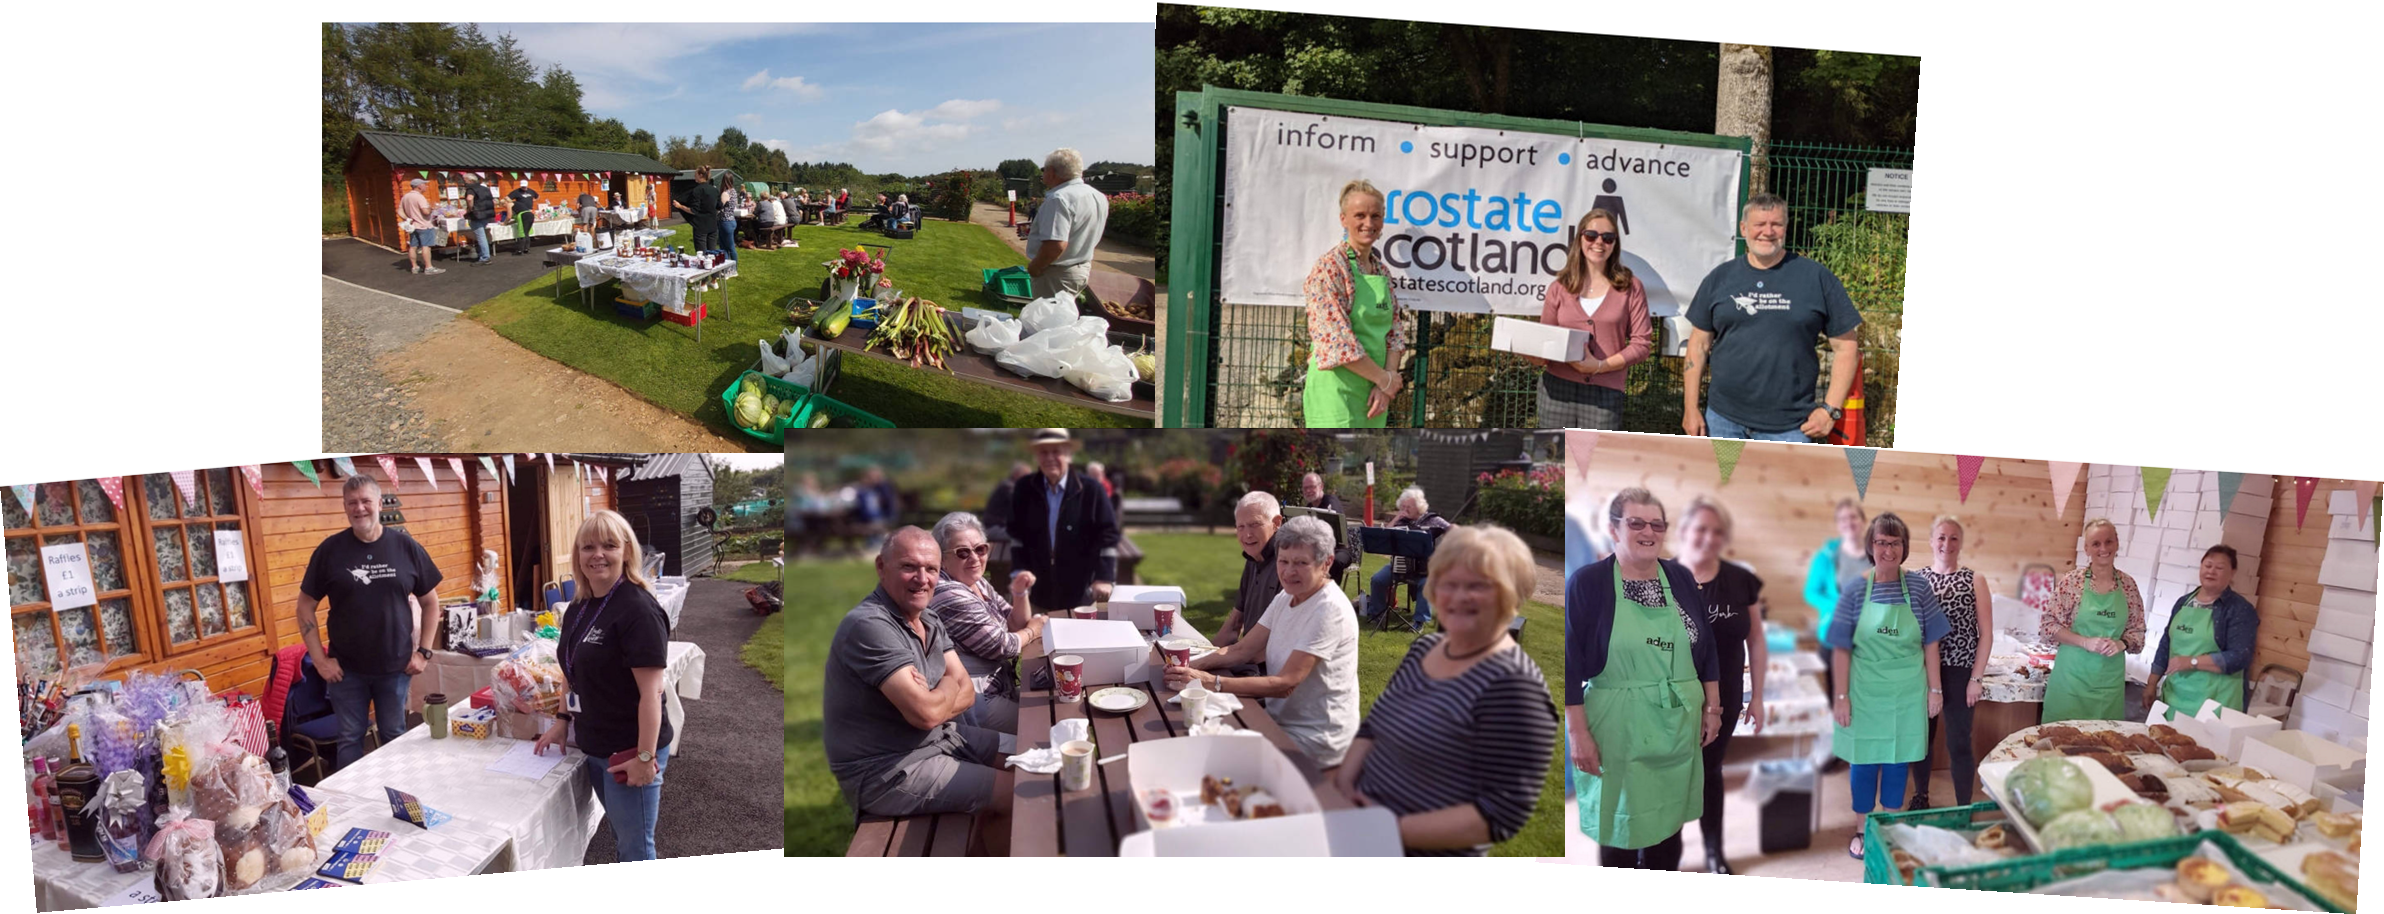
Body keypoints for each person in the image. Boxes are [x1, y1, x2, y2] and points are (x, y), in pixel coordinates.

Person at [1334, 524, 1559, 856]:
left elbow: (1500, 813)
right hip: (1357, 829)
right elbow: (1373, 728)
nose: (1458, 596)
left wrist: (1387, 830)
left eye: (1478, 586)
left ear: (1510, 594)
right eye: (1448, 583)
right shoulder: (1425, 648)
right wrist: (1342, 787)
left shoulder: (1515, 688)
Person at [823, 528, 1012, 854]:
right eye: (909, 567)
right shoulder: (869, 626)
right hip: (887, 769)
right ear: (881, 567)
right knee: (1013, 792)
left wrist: (940, 692)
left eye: (932, 569)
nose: (922, 579)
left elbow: (964, 694)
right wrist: (949, 685)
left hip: (943, 738)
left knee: (1028, 761)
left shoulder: (929, 618)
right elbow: (927, 713)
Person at [1566, 487, 1720, 870]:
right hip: (1618, 725)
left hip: (1677, 724)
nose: (1647, 531)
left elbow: (1708, 650)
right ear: (1614, 529)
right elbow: (1569, 664)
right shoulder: (1588, 583)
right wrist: (1578, 734)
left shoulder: (1681, 578)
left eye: (1656, 524)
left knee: (1667, 825)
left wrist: (1713, 708)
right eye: (1635, 522)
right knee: (1620, 825)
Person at [530, 510, 673, 860]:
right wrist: (562, 723)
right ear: (577, 555)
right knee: (622, 834)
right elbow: (571, 670)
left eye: (608, 545)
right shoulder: (580, 606)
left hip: (629, 749)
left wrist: (644, 757)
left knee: (636, 847)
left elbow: (652, 693)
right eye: (587, 546)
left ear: (626, 551)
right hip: (594, 744)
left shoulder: (638, 609)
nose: (597, 554)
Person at [1166, 516, 1361, 767]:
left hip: (1316, 738)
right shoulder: (1286, 596)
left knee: (1208, 760)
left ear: (1327, 563)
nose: (1289, 572)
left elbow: (1285, 684)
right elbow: (1244, 649)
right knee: (1195, 738)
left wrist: (1210, 682)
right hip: (1278, 719)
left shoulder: (1329, 610)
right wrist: (1193, 666)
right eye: (1283, 561)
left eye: (1301, 563)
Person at [1681, 192, 1864, 441]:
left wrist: (1830, 410)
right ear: (1744, 228)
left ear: (1785, 228)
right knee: (1723, 482)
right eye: (1759, 224)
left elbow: (1847, 348)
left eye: (1776, 224)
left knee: (1784, 483)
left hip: (1791, 427)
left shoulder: (1816, 278)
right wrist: (1690, 408)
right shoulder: (1720, 278)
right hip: (1723, 421)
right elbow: (1698, 346)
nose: (1768, 232)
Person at [293, 474, 444, 768]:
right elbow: (304, 606)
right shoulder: (330, 551)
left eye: (365, 501)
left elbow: (431, 602)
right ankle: (351, 809)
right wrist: (320, 661)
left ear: (378, 503)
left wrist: (424, 652)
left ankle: (398, 800)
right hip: (346, 672)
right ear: (345, 507)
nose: (359, 508)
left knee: (394, 736)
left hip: (396, 668)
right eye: (352, 503)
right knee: (349, 738)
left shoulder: (405, 547)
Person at [1827, 511, 1950, 859]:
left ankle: (1891, 830)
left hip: (1908, 692)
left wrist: (1935, 690)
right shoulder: (1855, 589)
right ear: (1871, 546)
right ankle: (1863, 831)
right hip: (1864, 692)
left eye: (1895, 543)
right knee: (1862, 763)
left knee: (1898, 763)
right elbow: (1841, 647)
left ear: (1904, 547)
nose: (1888, 550)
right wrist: (1841, 696)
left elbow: (1931, 644)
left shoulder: (1919, 588)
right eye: (1881, 542)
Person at [1674, 495, 1766, 874]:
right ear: (1684, 532)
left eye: (1717, 531)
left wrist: (1757, 696)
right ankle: (1666, 848)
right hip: (1670, 699)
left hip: (1724, 698)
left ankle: (1714, 851)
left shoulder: (1741, 580)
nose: (1709, 538)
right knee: (1671, 773)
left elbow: (1756, 640)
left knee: (1710, 771)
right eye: (1701, 529)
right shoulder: (1661, 576)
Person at [1525, 209, 1650, 429]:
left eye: (1608, 237)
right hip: (1557, 391)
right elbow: (1546, 343)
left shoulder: (1631, 287)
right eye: (1591, 235)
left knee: (1594, 462)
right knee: (1555, 459)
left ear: (1615, 244)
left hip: (1605, 394)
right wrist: (1532, 354)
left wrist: (1600, 365)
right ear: (1580, 238)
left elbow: (1642, 344)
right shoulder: (1559, 288)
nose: (1599, 242)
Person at [1302, 179, 1410, 427]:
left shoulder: (1382, 270)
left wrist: (1387, 383)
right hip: (1336, 394)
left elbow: (1394, 332)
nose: (1368, 224)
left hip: (1375, 396)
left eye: (1376, 216)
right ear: (1343, 219)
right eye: (1359, 215)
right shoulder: (1329, 269)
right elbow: (1337, 343)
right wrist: (1385, 380)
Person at [927, 512, 1041, 734]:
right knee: (1042, 724)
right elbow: (1003, 646)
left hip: (996, 685)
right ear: (942, 557)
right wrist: (1034, 630)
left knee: (1050, 702)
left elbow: (1015, 624)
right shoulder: (948, 593)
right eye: (963, 552)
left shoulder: (977, 582)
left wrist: (1019, 593)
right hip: (974, 698)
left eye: (980, 549)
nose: (974, 558)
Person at [1911, 515, 1993, 810]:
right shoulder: (1917, 580)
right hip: (1921, 673)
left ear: (1961, 543)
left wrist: (1976, 678)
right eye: (1941, 537)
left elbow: (1986, 634)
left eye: (1953, 538)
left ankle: (1962, 804)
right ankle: (1920, 795)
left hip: (1960, 672)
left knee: (1959, 742)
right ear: (1932, 541)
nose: (1947, 543)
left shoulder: (1974, 580)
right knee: (1921, 739)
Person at [2039, 518, 2145, 724]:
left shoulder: (2128, 585)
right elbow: (2048, 626)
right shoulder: (2072, 582)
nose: (2103, 548)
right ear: (2086, 549)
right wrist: (2085, 642)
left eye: (2109, 542)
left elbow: (2137, 632)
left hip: (2108, 684)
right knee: (2059, 742)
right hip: (2071, 680)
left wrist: (2121, 643)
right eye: (2096, 544)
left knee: (2102, 746)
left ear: (2117, 544)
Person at [1005, 428, 1121, 611]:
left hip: (1080, 592)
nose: (1049, 457)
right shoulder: (1024, 488)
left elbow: (1108, 535)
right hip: (1036, 592)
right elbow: (1016, 534)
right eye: (1043, 452)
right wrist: (1019, 570)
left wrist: (1104, 577)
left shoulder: (1092, 489)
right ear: (1037, 456)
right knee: (1037, 638)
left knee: (1080, 639)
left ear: (1069, 455)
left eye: (1056, 451)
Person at [2148, 545, 2261, 719]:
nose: (2212, 571)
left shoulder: (2239, 610)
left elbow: (2240, 656)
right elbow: (2166, 644)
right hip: (2175, 696)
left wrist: (2192, 662)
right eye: (2208, 565)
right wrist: (2152, 683)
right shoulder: (2183, 603)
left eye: (2220, 568)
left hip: (2216, 702)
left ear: (2232, 573)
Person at [1805, 498, 1872, 711]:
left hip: (1869, 640)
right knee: (1839, 699)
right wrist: (1839, 606)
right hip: (1835, 637)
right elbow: (1811, 592)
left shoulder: (1875, 554)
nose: (1849, 522)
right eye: (1843, 519)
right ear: (1838, 525)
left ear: (1863, 521)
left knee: (1866, 699)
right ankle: (1840, 742)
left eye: (1853, 516)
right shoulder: (1827, 556)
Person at [1025, 147, 1110, 303]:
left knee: (1047, 323)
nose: (1043, 174)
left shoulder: (1059, 198)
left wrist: (1035, 267)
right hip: (1080, 268)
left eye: (1044, 170)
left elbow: (1055, 245)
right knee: (1063, 321)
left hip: (1056, 273)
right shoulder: (1097, 196)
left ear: (1051, 172)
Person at [1360, 486, 1452, 631]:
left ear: (1418, 507)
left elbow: (1453, 529)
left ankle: (1419, 622)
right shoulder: (1401, 521)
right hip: (1399, 566)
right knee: (1378, 579)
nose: (1404, 509)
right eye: (1402, 506)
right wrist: (1396, 518)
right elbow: (1384, 535)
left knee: (1425, 584)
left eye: (1408, 506)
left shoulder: (1433, 520)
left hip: (1425, 569)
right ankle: (1376, 614)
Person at [1214, 491, 1286, 651]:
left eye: (1255, 524)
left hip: (1269, 666)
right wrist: (1204, 654)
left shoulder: (1288, 565)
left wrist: (1206, 663)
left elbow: (1276, 643)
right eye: (1241, 527)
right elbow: (1234, 625)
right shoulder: (1253, 559)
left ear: (1276, 523)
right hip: (1246, 657)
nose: (1247, 534)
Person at [399, 179, 445, 276]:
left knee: (413, 246)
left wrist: (407, 218)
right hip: (424, 225)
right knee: (426, 246)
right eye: (424, 185)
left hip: (413, 226)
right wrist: (432, 208)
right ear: (419, 186)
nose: (426, 186)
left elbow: (399, 210)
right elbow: (426, 212)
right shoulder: (420, 197)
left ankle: (414, 267)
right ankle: (429, 267)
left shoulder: (406, 196)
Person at [671, 166, 722, 252]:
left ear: (700, 175)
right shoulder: (715, 190)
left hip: (701, 226)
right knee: (712, 254)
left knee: (701, 255)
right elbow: (719, 206)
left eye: (695, 174)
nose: (694, 176)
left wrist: (680, 206)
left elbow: (693, 210)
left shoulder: (697, 190)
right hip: (713, 226)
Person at [982, 463, 1030, 543]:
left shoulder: (1009, 485)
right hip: (993, 529)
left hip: (998, 528)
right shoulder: (1008, 487)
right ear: (1016, 474)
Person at [851, 467, 897, 552]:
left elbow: (889, 505)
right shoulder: (865, 491)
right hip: (870, 519)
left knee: (875, 524)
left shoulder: (883, 488)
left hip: (884, 517)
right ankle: (874, 544)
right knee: (872, 524)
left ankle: (876, 544)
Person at [462, 173, 496, 265]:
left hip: (477, 214)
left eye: (464, 180)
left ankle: (485, 257)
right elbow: (492, 201)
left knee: (481, 237)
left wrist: (470, 209)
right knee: (482, 236)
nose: (464, 182)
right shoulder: (485, 188)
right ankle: (483, 254)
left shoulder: (471, 188)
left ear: (470, 181)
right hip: (486, 214)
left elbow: (469, 199)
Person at [506, 179, 541, 255]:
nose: (524, 188)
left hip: (528, 211)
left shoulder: (531, 191)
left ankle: (521, 250)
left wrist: (533, 200)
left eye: (525, 186)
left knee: (524, 232)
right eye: (522, 186)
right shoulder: (516, 192)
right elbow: (508, 198)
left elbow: (538, 196)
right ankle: (524, 249)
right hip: (523, 212)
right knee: (524, 232)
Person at [721, 183, 744, 261]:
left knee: (727, 246)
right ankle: (727, 268)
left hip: (725, 221)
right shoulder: (734, 192)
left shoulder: (726, 193)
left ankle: (733, 268)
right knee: (728, 246)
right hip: (732, 219)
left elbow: (720, 207)